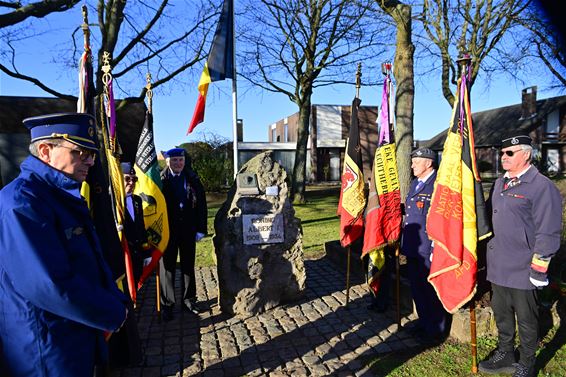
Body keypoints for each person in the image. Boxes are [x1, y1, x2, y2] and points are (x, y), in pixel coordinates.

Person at [0, 113, 129, 376]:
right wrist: (112, 311)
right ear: (46, 151)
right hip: (45, 346)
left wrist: (115, 300)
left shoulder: (58, 195)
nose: (91, 162)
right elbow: (48, 283)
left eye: (92, 153)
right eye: (81, 152)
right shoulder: (22, 202)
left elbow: (88, 262)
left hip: (71, 335)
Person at [479, 135, 562, 377]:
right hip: (498, 264)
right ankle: (505, 353)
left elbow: (548, 231)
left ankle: (526, 362)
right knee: (502, 314)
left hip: (523, 267)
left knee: (526, 320)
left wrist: (539, 268)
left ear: (526, 154)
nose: (503, 157)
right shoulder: (499, 183)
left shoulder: (541, 186)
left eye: (510, 153)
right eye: (502, 153)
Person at [400, 147, 449, 345]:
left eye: (416, 162)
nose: (412, 165)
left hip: (429, 248)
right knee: (417, 289)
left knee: (431, 291)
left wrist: (435, 249)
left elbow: (441, 220)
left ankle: (436, 330)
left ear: (428, 163)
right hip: (413, 247)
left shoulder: (437, 185)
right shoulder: (415, 183)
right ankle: (424, 322)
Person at [160, 148, 207, 320]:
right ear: (168, 162)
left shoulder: (192, 178)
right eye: (174, 160)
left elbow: (201, 204)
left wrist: (201, 228)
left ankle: (189, 300)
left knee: (188, 266)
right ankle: (167, 304)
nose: (178, 163)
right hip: (168, 230)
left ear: (184, 161)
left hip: (188, 229)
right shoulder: (160, 179)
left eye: (180, 160)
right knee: (167, 268)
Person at [121, 162, 154, 286]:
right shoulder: (110, 200)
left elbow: (141, 228)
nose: (131, 182)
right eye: (127, 179)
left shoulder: (137, 200)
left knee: (135, 284)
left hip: (137, 254)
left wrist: (146, 252)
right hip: (121, 256)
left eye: (134, 179)